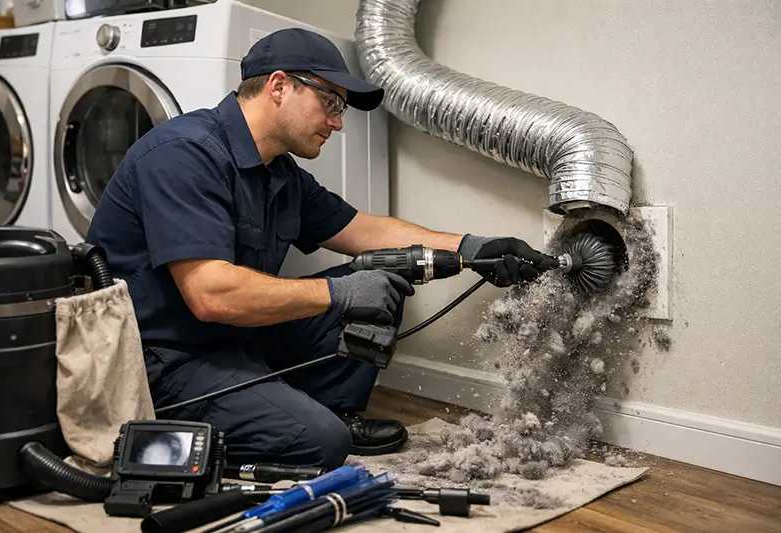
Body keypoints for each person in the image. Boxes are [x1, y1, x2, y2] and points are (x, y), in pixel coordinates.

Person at [86, 27, 558, 470]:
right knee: (322, 444)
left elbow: (366, 231)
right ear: (278, 86)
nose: (336, 121)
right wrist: (339, 293)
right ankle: (190, 437)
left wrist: (476, 247)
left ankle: (316, 410)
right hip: (165, 362)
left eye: (342, 108)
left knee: (383, 281)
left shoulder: (280, 174)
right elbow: (212, 295)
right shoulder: (183, 154)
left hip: (233, 342)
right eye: (330, 101)